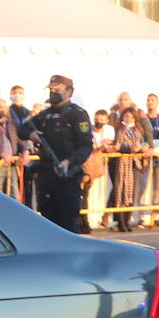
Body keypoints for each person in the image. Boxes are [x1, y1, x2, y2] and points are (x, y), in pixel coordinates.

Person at [19, 75, 93, 232]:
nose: (53, 93)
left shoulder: (77, 115)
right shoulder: (45, 115)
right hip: (47, 175)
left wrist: (69, 161)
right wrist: (31, 134)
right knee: (47, 222)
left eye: (57, 90)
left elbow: (86, 146)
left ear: (69, 92)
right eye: (51, 89)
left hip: (67, 174)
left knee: (68, 224)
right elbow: (22, 129)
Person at [110, 107, 152, 233]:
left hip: (133, 164)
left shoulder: (137, 130)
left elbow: (142, 143)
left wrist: (142, 149)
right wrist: (129, 147)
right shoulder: (118, 129)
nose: (129, 119)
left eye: (131, 117)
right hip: (121, 164)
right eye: (126, 116)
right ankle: (121, 222)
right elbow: (117, 145)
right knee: (120, 193)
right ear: (122, 117)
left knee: (130, 193)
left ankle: (127, 221)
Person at [83, 109, 116, 232]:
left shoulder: (109, 130)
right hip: (88, 166)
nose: (99, 122)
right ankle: (86, 221)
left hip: (99, 167)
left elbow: (110, 147)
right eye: (97, 119)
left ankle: (98, 218)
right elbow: (90, 148)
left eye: (101, 120)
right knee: (86, 194)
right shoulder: (89, 132)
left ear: (106, 120)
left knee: (98, 193)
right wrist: (101, 147)